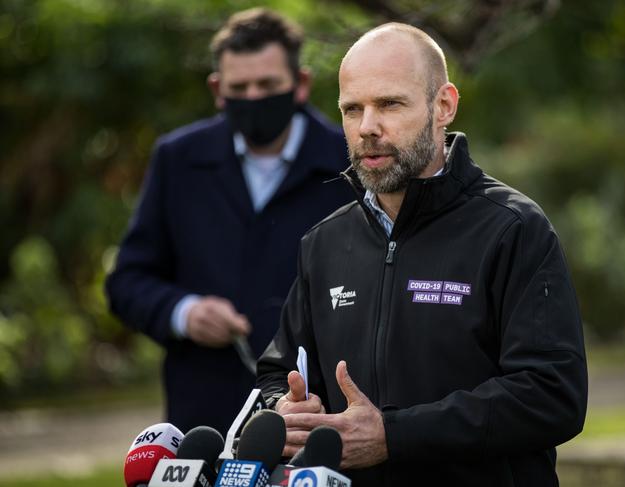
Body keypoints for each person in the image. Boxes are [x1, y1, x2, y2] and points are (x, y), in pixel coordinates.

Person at [256, 22, 588, 486]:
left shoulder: (512, 227)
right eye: (352, 109)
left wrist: (392, 435)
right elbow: (276, 370)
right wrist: (285, 409)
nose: (368, 127)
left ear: (444, 105)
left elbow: (553, 396)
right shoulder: (324, 242)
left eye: (389, 104)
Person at [105, 8, 351, 435]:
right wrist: (184, 312)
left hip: (316, 416)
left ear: (301, 84)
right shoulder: (177, 160)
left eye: (268, 85)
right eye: (240, 87)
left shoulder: (348, 161)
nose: (254, 97)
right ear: (218, 90)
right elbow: (127, 280)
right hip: (204, 419)